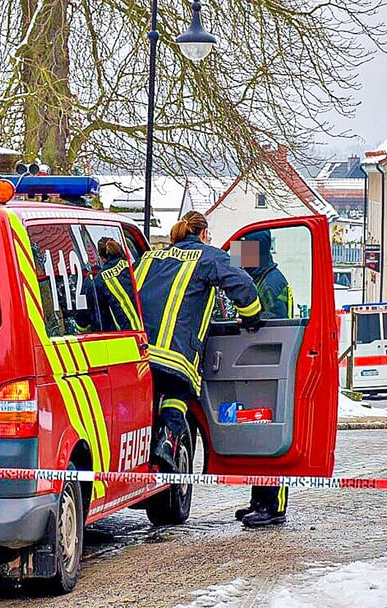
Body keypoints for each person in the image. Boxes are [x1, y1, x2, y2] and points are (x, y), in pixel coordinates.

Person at [135, 211, 262, 475]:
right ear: (203, 234)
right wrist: (251, 317)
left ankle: (147, 449)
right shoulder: (209, 256)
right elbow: (243, 283)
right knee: (178, 392)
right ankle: (167, 441)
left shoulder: (149, 257)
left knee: (151, 397)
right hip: (175, 355)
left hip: (138, 353)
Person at [232, 229, 291, 528]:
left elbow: (274, 323)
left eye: (243, 251)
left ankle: (274, 505)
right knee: (258, 435)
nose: (239, 257)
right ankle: (259, 501)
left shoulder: (272, 282)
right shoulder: (259, 278)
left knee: (269, 436)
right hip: (258, 365)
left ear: (258, 251)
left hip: (271, 365)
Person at [92, 237, 141, 332]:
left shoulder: (99, 280)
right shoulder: (137, 267)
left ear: (101, 258)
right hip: (150, 330)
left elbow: (98, 317)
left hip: (127, 336)